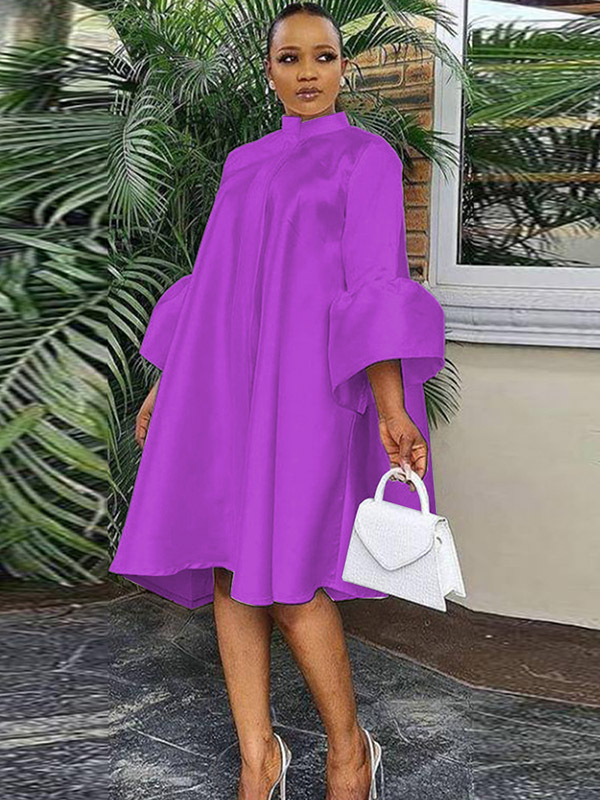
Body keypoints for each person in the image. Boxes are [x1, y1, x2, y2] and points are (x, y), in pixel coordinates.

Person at [110, 3, 446, 798]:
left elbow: (373, 284)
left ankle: (349, 752)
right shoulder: (244, 162)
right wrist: (169, 382)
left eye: (323, 57)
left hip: (311, 396)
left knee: (292, 582)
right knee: (232, 569)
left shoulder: (366, 158)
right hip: (227, 385)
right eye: (289, 58)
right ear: (269, 72)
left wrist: (391, 406)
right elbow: (211, 283)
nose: (307, 72)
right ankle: (259, 758)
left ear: (343, 68)